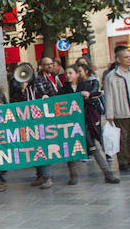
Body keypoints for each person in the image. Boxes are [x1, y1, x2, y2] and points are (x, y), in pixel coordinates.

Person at [60, 65, 119, 184]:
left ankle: (108, 173)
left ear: (77, 74)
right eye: (67, 73)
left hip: (85, 122)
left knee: (94, 147)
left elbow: (96, 96)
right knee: (71, 150)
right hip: (70, 123)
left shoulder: (87, 85)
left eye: (71, 73)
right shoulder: (63, 89)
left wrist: (88, 95)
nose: (68, 76)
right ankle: (73, 176)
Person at [104, 46, 130, 171]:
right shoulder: (112, 76)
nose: (129, 59)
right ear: (119, 59)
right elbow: (109, 96)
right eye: (126, 57)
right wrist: (109, 114)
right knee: (122, 136)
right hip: (121, 109)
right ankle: (123, 160)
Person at [29, 58, 60, 187]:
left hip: (51, 114)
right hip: (42, 116)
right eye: (46, 65)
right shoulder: (38, 79)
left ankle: (42, 175)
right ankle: (44, 176)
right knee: (41, 145)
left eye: (51, 64)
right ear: (41, 66)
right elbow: (44, 93)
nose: (49, 66)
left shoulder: (54, 77)